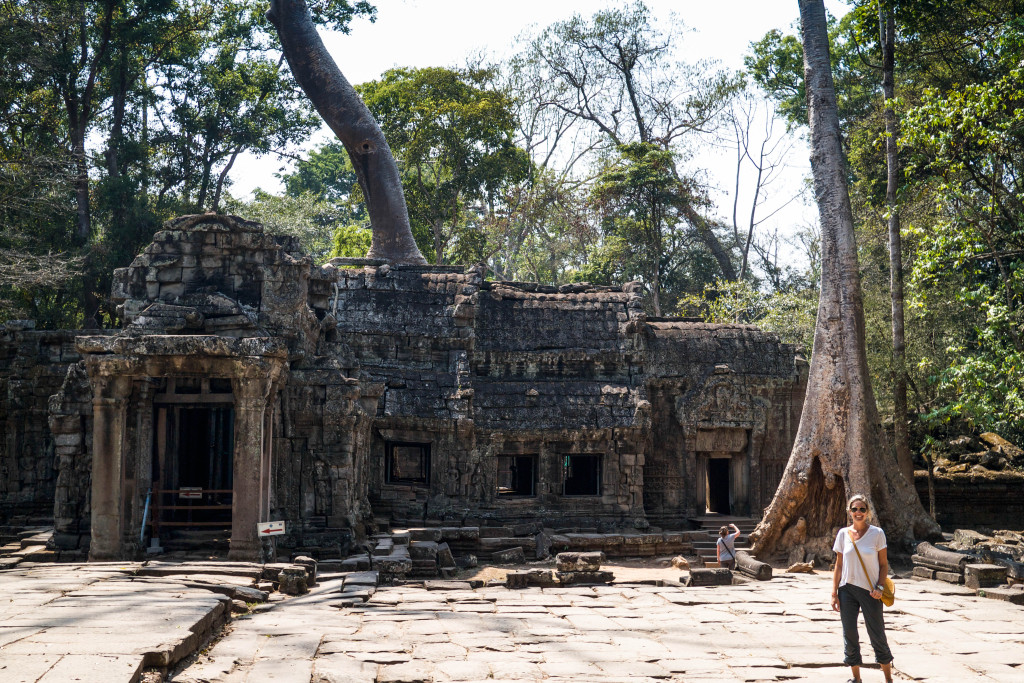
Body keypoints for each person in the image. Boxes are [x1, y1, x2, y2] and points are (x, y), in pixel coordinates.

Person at [831, 494, 894, 683]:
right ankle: (856, 678)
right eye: (854, 509)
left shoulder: (877, 534)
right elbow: (839, 565)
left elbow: (883, 565)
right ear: (849, 512)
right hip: (847, 589)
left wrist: (880, 587)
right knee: (849, 633)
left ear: (867, 512)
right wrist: (834, 593)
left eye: (862, 509)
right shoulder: (843, 534)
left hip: (871, 591)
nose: (858, 513)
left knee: (877, 634)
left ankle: (888, 679)